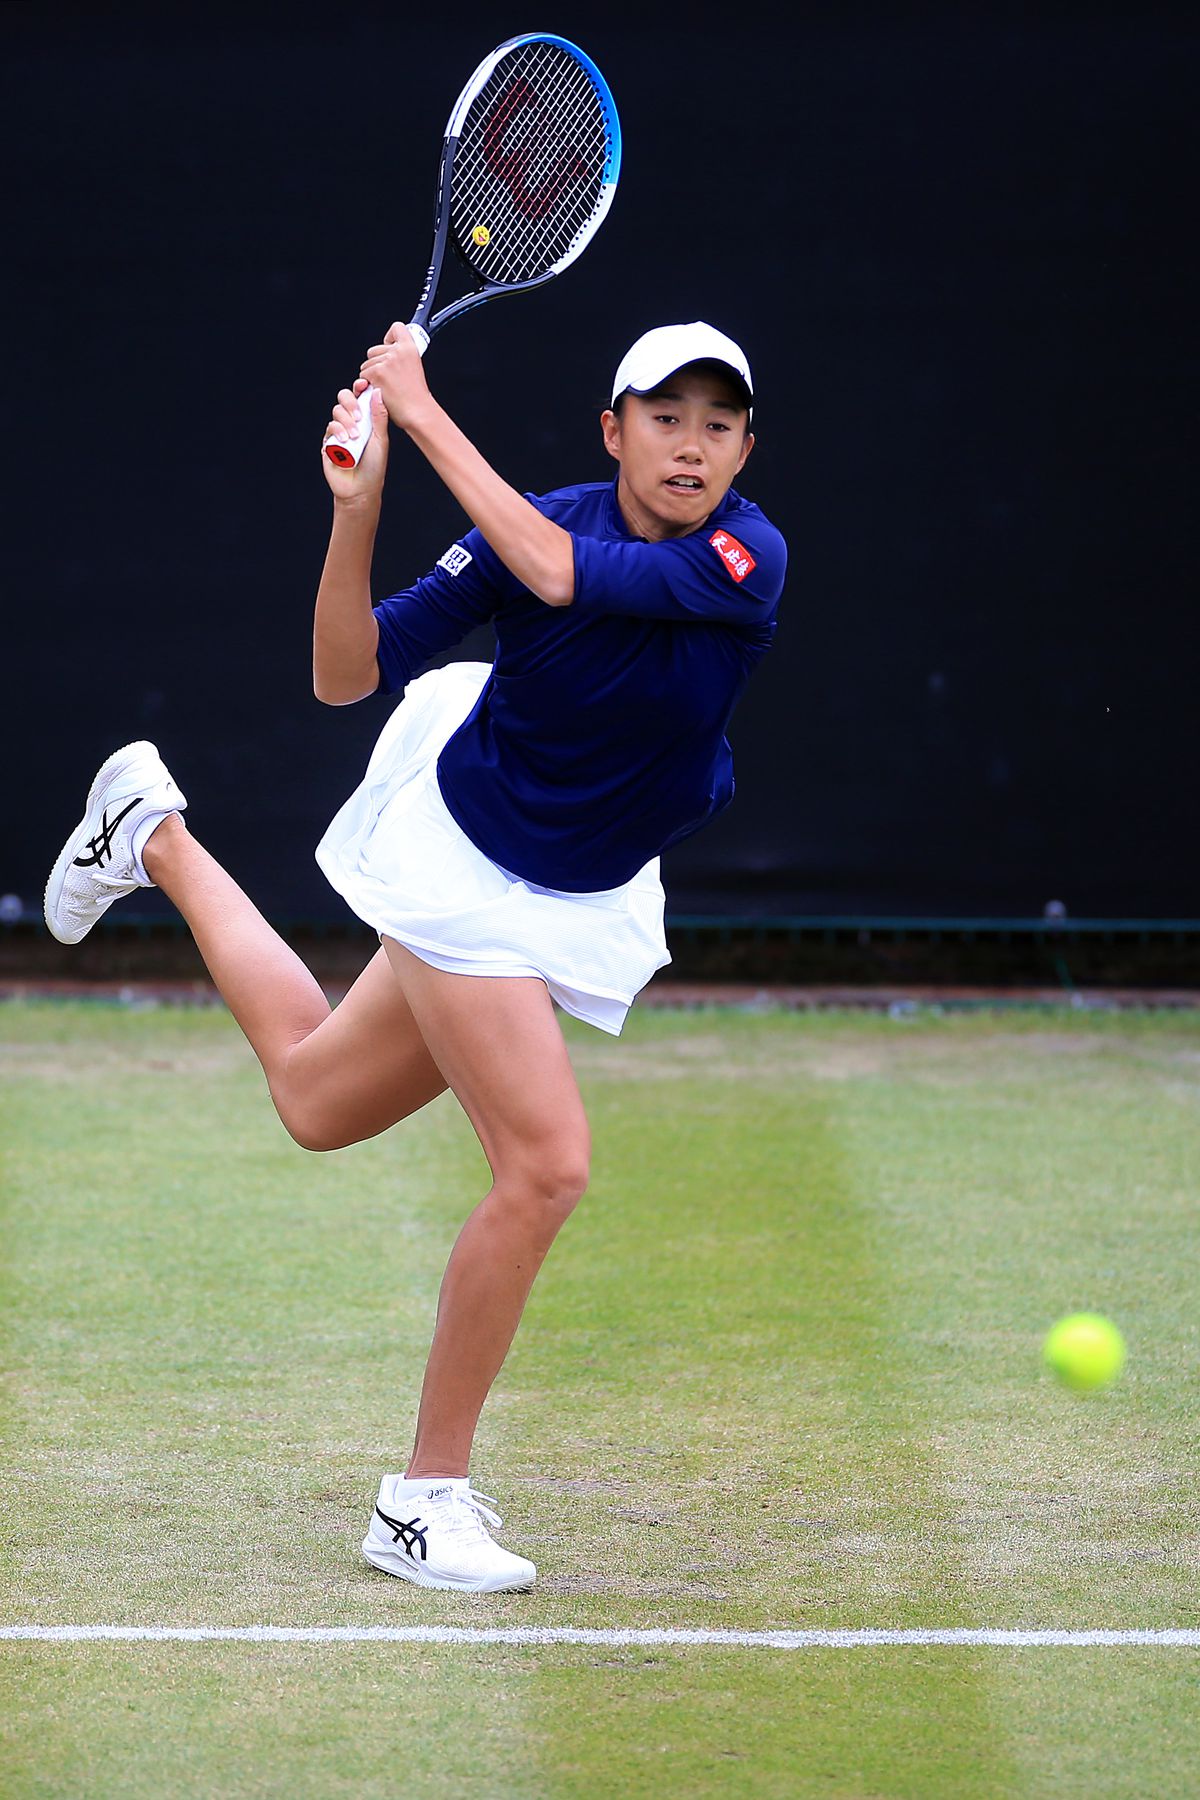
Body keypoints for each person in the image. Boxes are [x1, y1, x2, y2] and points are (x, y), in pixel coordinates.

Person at [44, 320, 788, 1594]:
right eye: (664, 418)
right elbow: (346, 675)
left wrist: (420, 406)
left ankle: (152, 831)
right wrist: (360, 508)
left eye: (718, 425)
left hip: (586, 876)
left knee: (315, 1099)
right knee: (547, 1166)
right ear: (613, 431)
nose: (691, 446)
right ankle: (421, 1502)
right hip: (470, 862)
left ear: (744, 451)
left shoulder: (745, 552)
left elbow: (558, 572)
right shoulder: (530, 524)